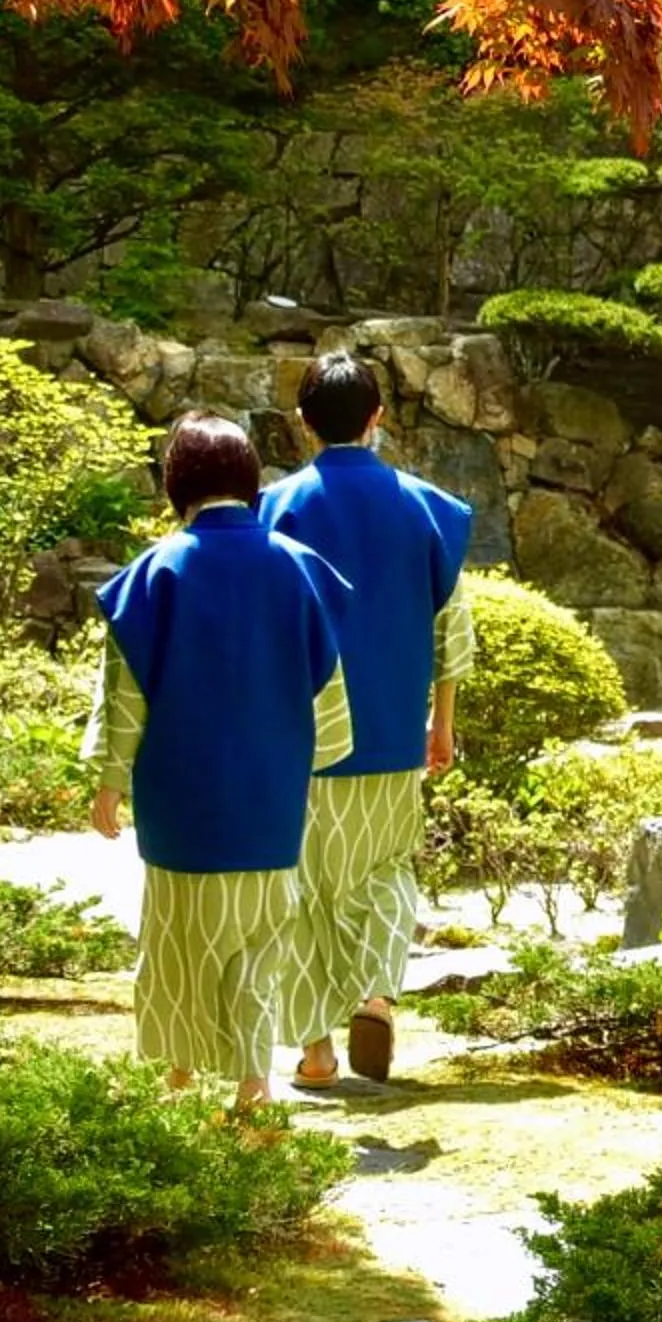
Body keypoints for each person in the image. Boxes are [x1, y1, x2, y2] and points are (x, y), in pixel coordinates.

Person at [84, 410, 354, 1112]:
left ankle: (179, 1074)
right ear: (249, 480)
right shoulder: (298, 568)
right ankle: (252, 1083)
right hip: (270, 800)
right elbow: (327, 690)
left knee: (178, 941)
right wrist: (316, 765)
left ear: (177, 482)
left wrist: (111, 781)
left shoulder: (154, 573)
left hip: (182, 802)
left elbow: (126, 694)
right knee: (259, 946)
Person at [259, 352, 476, 1085]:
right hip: (391, 734)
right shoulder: (429, 509)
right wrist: (440, 722)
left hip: (300, 741)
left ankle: (315, 1051)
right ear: (378, 417)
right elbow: (452, 627)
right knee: (384, 873)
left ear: (303, 423)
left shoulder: (276, 508)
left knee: (305, 890)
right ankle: (377, 996)